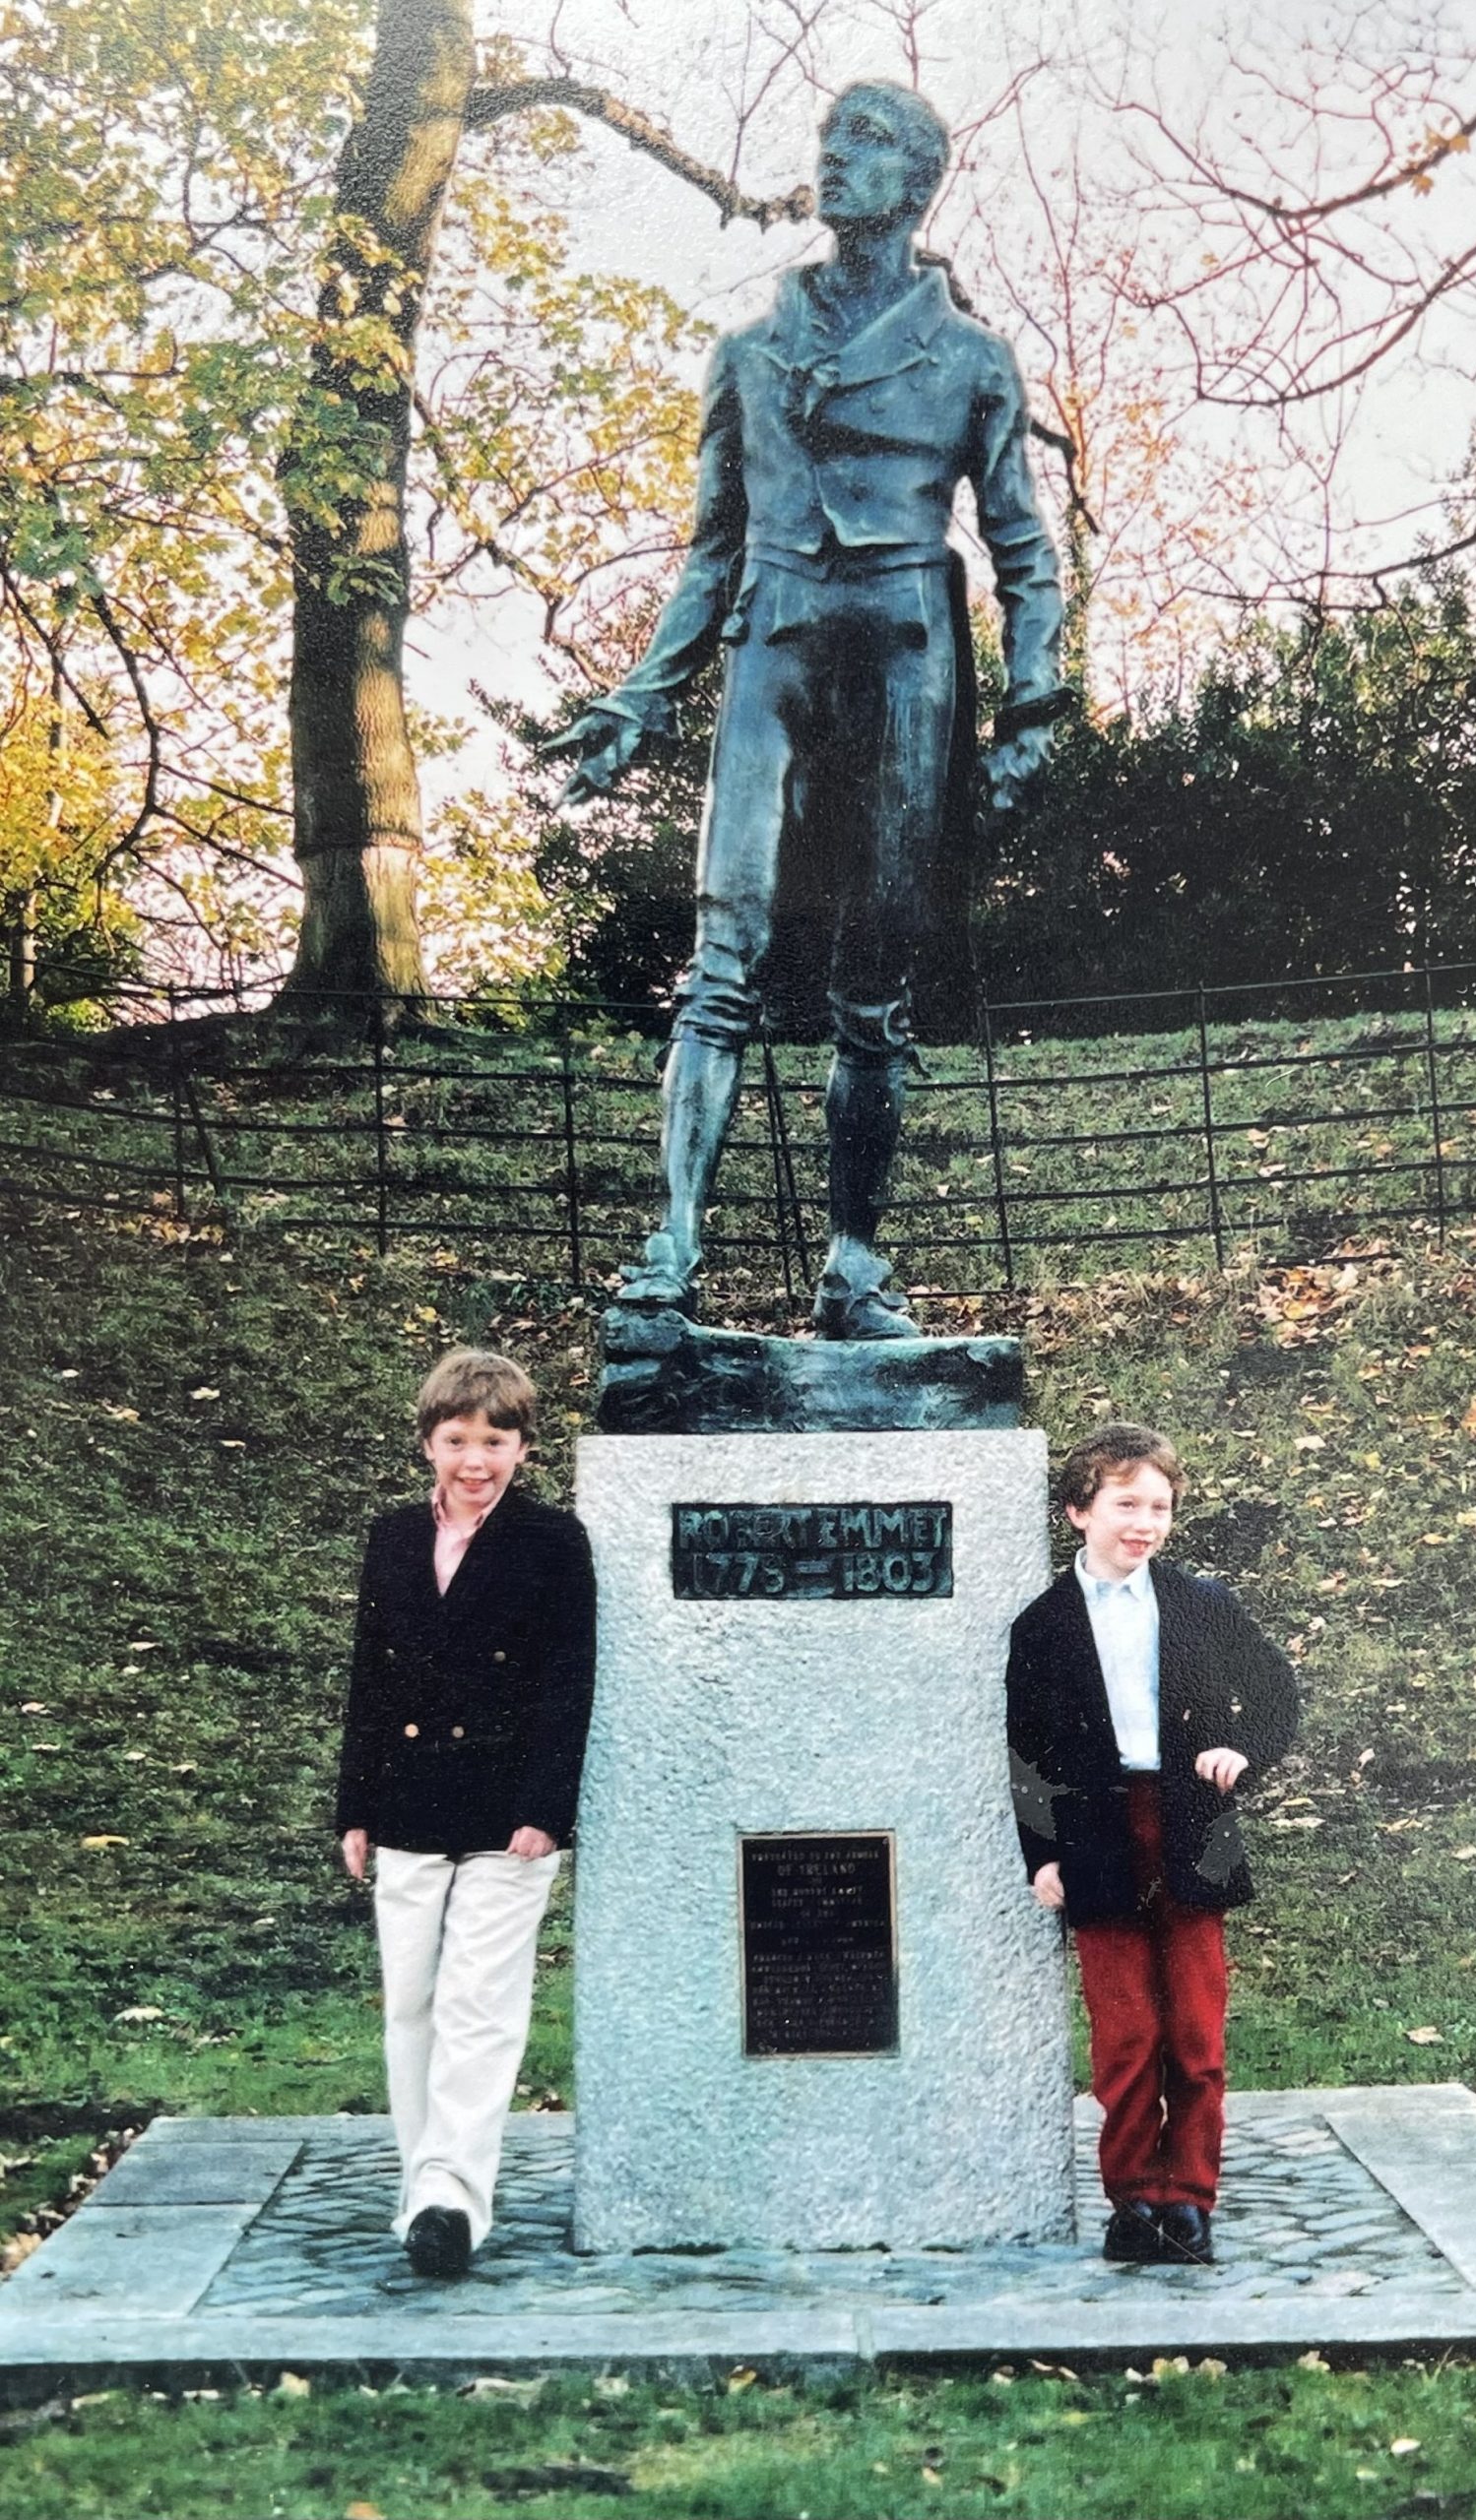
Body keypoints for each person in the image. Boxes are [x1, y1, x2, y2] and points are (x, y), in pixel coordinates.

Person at [551, 79, 1067, 1340]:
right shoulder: (747, 353)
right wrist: (640, 698)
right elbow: (708, 552)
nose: (834, 163)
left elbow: (1025, 549)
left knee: (872, 988)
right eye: (828, 143)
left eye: (866, 145)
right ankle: (671, 1248)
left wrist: (1035, 708)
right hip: (772, 653)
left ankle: (853, 1267)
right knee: (719, 961)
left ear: (918, 181)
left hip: (906, 660)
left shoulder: (971, 360)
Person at [1005, 1422, 1298, 2265]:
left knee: (1197, 2036)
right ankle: (1133, 2200)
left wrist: (1247, 1753)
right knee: (1127, 2037)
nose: (1144, 1522)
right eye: (1125, 1503)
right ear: (1077, 1511)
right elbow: (1027, 1750)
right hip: (1098, 1838)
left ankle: (1190, 2201)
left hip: (1190, 1829)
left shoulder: (1202, 1604)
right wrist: (1043, 1855)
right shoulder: (1044, 1625)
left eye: (1159, 1506)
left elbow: (1276, 1691)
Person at [336, 1350, 596, 2281]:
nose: (475, 1460)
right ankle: (422, 2191)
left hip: (505, 1813)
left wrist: (546, 1810)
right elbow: (373, 1679)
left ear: (524, 1448)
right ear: (427, 1444)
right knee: (410, 2003)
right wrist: (355, 1806)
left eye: (495, 1441)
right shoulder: (394, 1538)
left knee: (478, 2006)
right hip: (406, 1802)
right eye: (457, 1441)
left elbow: (570, 1685)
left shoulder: (554, 1543)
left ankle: (454, 2197)